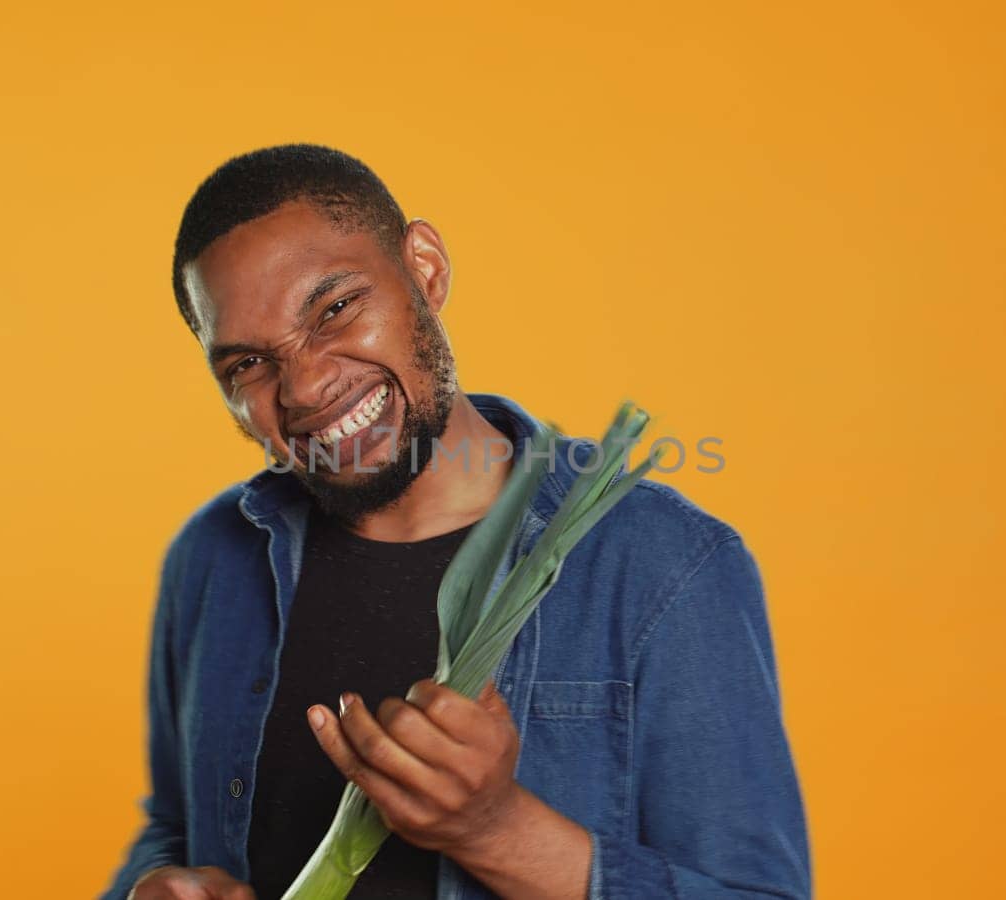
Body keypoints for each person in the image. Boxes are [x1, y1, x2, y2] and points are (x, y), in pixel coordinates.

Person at [98, 144, 811, 900]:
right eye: (247, 365)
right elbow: (174, 826)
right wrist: (152, 886)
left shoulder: (665, 565)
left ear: (426, 270)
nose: (305, 388)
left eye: (335, 309)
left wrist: (494, 830)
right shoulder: (213, 557)